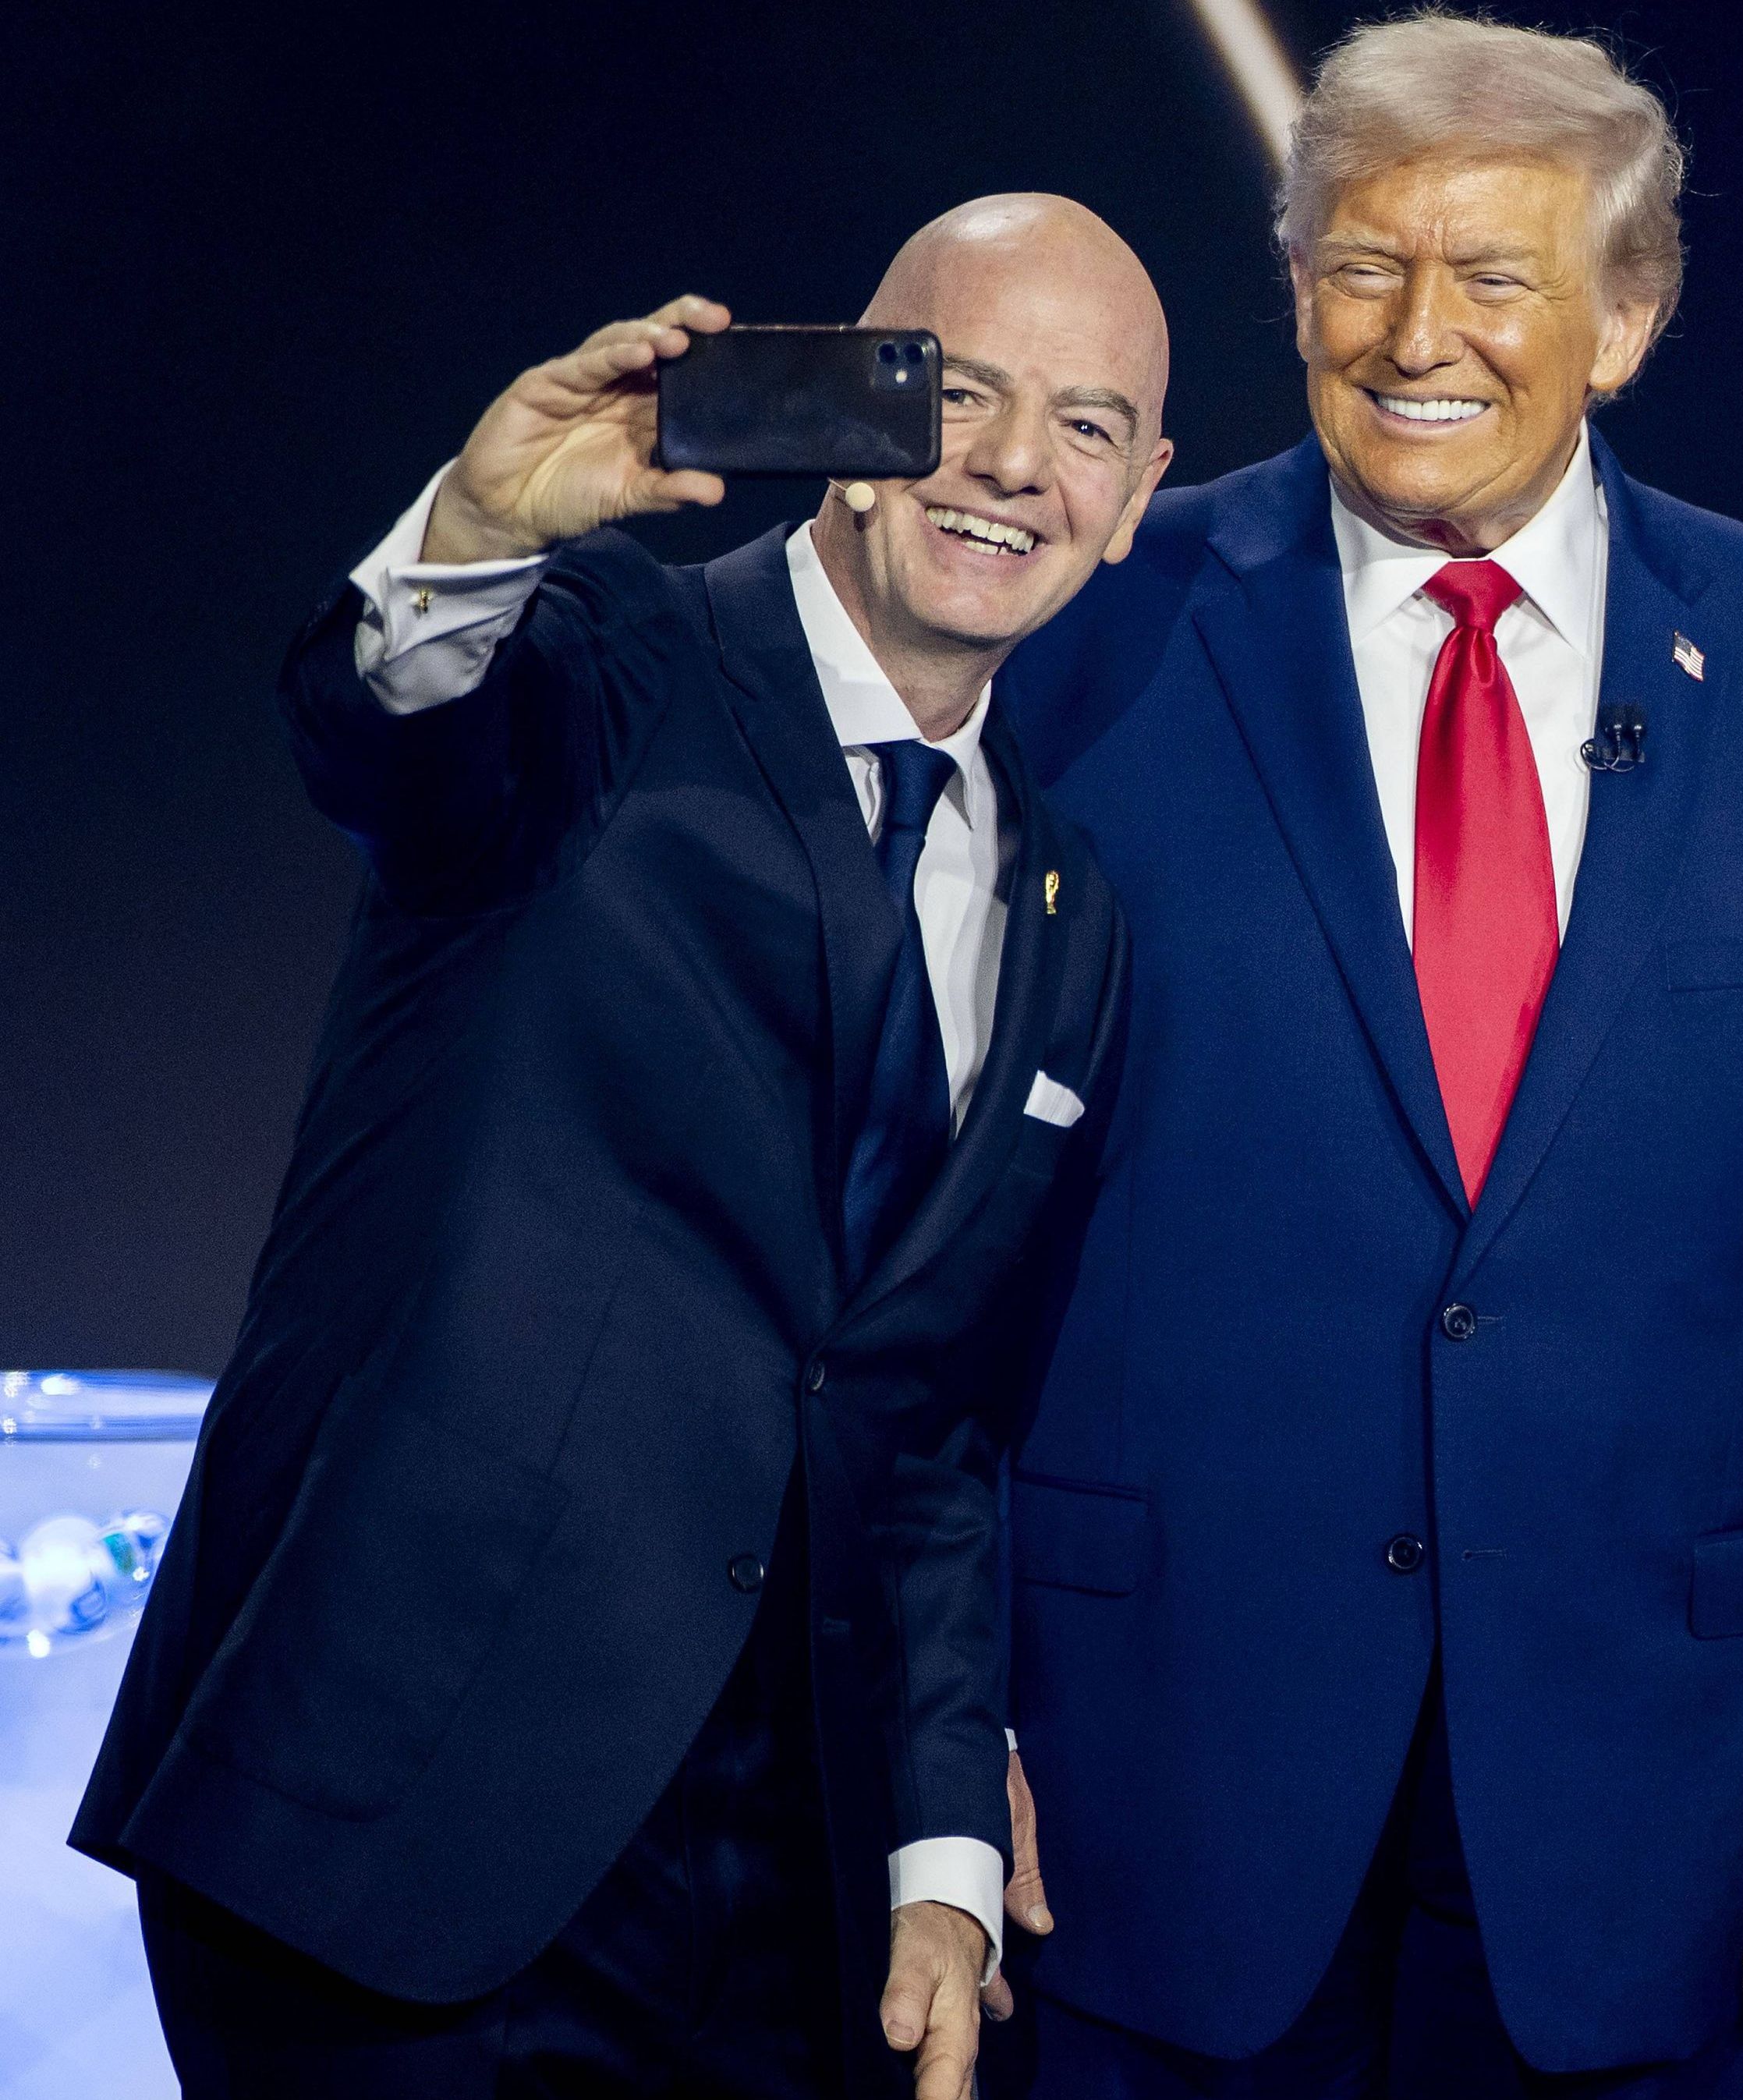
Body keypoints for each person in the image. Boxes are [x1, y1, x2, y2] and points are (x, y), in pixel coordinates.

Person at [976, 16, 1743, 2097]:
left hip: (1641, 1803)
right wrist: (942, 1729)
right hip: (1143, 1776)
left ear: (1626, 317)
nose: (1415, 334)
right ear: (1295, 289)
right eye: (1363, 266)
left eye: (1495, 277)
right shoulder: (1093, 629)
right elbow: (942, 1230)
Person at [71, 195, 1174, 2099]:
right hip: (397, 1833)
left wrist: (939, 1855)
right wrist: (480, 532)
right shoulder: (608, 655)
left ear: (1139, 495)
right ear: (849, 407)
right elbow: (390, 741)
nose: (1013, 465)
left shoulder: (1072, 908)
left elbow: (931, 1422)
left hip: (781, 1904)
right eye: (958, 391)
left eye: (1086, 426)